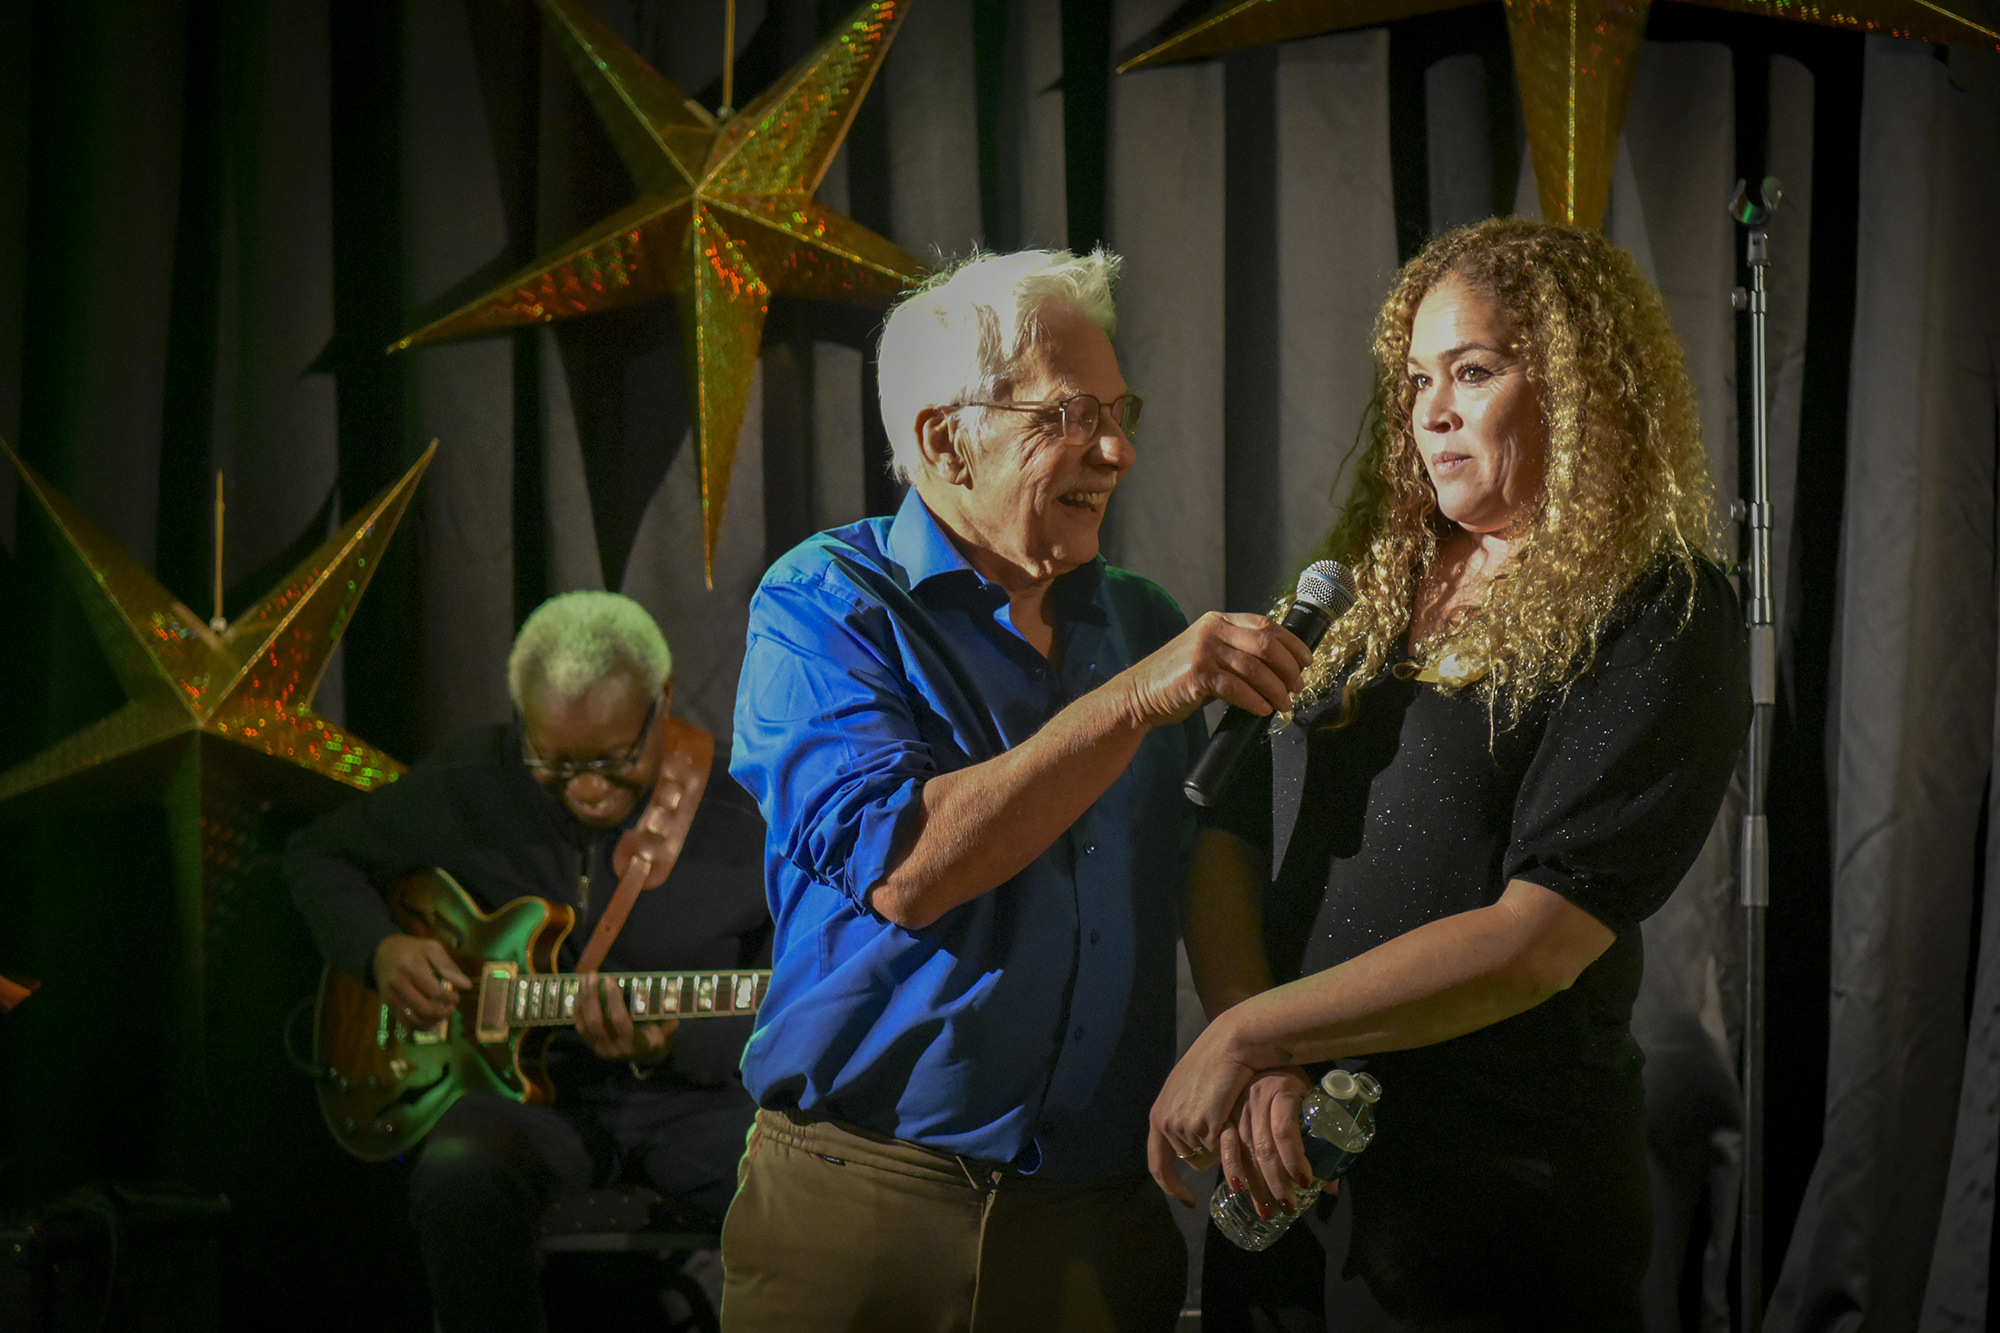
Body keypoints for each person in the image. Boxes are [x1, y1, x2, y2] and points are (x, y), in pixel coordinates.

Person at [1148, 219, 1750, 1330]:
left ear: (1576, 389)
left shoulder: (1657, 607)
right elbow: (1227, 830)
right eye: (1417, 378)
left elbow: (1537, 938)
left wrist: (1253, 1034)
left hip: (1492, 1203)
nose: (1430, 411)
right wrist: (1263, 1056)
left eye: (1472, 372)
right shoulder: (1367, 584)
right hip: (1287, 1160)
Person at [719, 247, 1316, 1333]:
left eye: (1120, 414)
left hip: (1099, 1217)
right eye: (1070, 415)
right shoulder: (824, 602)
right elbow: (906, 869)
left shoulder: (1138, 617)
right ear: (946, 439)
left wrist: (1255, 1046)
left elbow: (1204, 857)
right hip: (863, 1208)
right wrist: (1133, 700)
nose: (1117, 451)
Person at [287, 590, 769, 1333]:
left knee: (803, 1187)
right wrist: (381, 950)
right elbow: (319, 856)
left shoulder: (748, 816)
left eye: (614, 759)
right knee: (457, 1174)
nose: (588, 788)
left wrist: (671, 1044)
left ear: (663, 702)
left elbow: (785, 1008)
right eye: (554, 761)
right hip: (530, 1105)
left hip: (693, 1103)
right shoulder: (473, 779)